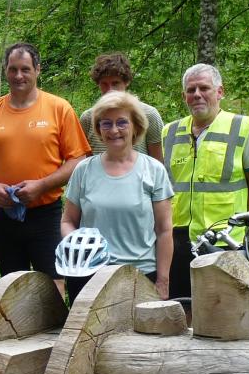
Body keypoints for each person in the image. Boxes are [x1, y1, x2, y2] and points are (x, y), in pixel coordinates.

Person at [0, 43, 90, 290]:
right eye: (13, 69)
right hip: (4, 214)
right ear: (5, 71)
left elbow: (78, 159)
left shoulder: (59, 108)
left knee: (54, 281)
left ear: (37, 70)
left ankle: (55, 326)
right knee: (13, 286)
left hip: (46, 213)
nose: (18, 76)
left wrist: (42, 185)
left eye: (25, 69)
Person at [163, 63, 249, 299]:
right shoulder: (169, 132)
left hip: (224, 239)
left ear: (220, 92)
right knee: (182, 307)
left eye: (204, 88)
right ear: (184, 96)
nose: (197, 94)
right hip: (179, 239)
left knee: (224, 309)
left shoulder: (243, 128)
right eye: (191, 90)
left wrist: (237, 218)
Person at [60, 91, 174, 302]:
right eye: (106, 123)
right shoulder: (83, 170)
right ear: (98, 129)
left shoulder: (154, 170)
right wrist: (77, 244)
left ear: (135, 127)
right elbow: (68, 221)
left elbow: (164, 230)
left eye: (122, 122)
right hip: (87, 276)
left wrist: (162, 280)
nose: (114, 130)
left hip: (139, 276)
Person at [78, 52, 165, 163]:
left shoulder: (148, 114)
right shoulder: (88, 118)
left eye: (115, 83)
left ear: (126, 82)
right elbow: (86, 162)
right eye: (104, 84)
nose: (110, 90)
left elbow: (159, 161)